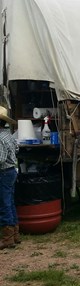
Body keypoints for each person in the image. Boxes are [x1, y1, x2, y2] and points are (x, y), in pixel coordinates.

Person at [0, 106, 19, 250]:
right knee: (10, 202)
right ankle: (15, 234)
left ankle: (7, 238)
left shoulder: (0, 138)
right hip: (11, 171)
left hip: (4, 172)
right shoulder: (8, 135)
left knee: (4, 203)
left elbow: (0, 159)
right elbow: (17, 148)